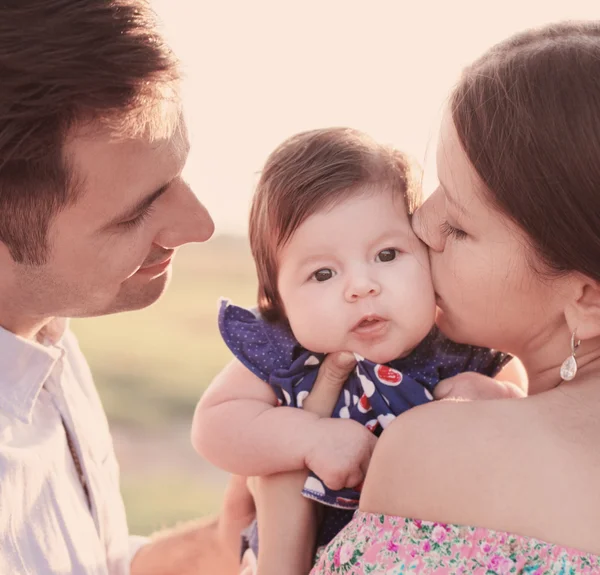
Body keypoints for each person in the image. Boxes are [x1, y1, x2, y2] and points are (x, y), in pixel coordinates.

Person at [255, 20, 600, 574]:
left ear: (587, 299)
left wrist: (279, 508)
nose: (421, 222)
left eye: (459, 227)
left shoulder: (440, 451)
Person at [0, 1, 262, 573]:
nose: (201, 226)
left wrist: (229, 540)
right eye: (136, 211)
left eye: (177, 174)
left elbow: (93, 562)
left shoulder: (43, 336)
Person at [191, 128, 516, 563]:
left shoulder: (460, 350)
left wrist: (498, 400)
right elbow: (213, 426)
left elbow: (525, 417)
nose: (362, 287)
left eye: (386, 255)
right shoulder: (287, 352)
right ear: (278, 300)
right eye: (323, 274)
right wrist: (307, 438)